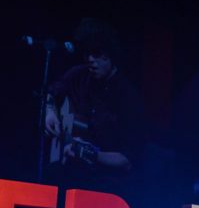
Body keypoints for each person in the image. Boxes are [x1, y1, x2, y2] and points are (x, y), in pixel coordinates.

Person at [43, 18, 147, 194]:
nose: (90, 60)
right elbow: (51, 94)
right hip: (69, 174)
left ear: (111, 56)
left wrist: (90, 154)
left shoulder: (128, 97)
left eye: (97, 54)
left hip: (107, 186)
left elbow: (127, 161)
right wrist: (50, 113)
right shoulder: (79, 75)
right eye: (87, 54)